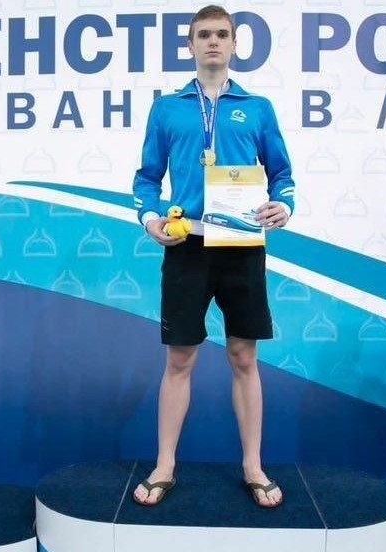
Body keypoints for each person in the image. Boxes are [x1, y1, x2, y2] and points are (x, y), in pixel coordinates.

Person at [130, 4, 295, 509]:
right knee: (179, 358)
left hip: (242, 244)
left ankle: (253, 466)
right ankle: (165, 465)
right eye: (203, 35)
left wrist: (284, 204)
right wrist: (150, 219)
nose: (213, 42)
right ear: (190, 45)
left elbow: (282, 174)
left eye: (222, 34)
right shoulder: (167, 109)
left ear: (235, 43)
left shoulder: (258, 107)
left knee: (244, 356)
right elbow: (146, 179)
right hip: (187, 246)